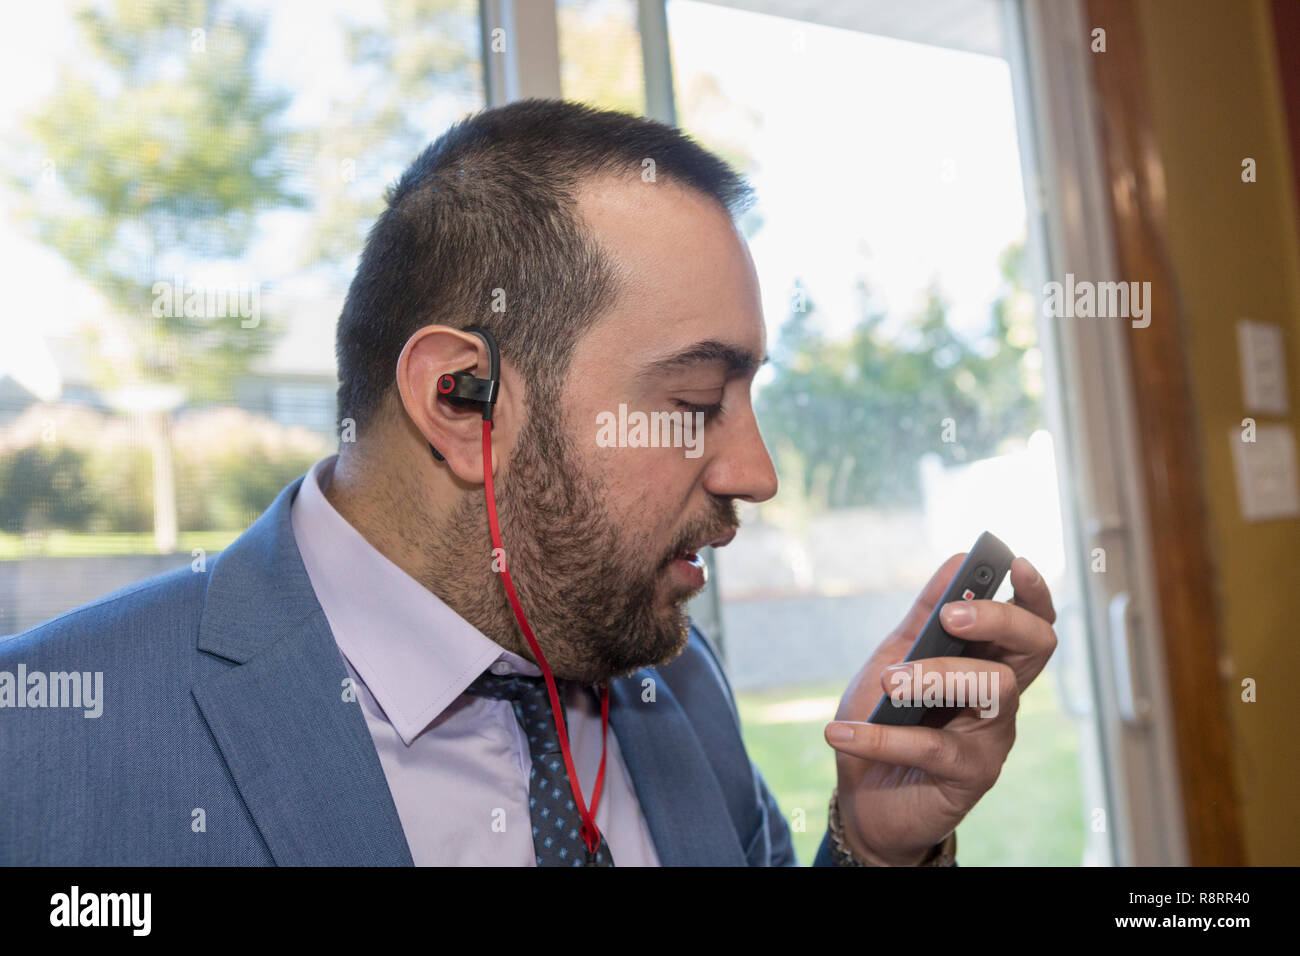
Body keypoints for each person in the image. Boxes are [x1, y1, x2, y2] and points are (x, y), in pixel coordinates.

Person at [0, 99, 1056, 866]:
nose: (757, 473)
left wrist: (872, 848)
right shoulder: (42, 741)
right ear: (462, 400)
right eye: (693, 403)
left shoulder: (680, 683)